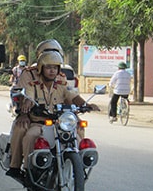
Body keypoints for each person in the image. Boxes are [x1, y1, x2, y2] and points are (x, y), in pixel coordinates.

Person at [6, 50, 99, 181]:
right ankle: (28, 170)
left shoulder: (62, 85)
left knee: (77, 135)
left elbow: (73, 96)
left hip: (59, 124)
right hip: (39, 123)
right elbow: (29, 94)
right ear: (41, 68)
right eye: (49, 67)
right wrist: (27, 102)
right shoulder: (34, 85)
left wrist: (87, 105)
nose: (52, 71)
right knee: (30, 136)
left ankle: (79, 167)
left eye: (55, 68)